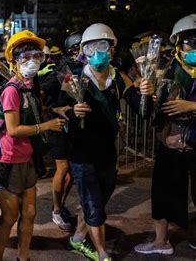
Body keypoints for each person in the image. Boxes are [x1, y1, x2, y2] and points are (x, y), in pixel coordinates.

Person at [60, 23, 154, 261]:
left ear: (112, 49)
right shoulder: (74, 78)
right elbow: (55, 109)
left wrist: (145, 94)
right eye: (91, 47)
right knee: (93, 205)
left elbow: (141, 111)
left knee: (98, 201)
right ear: (84, 51)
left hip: (108, 152)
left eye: (103, 45)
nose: (97, 52)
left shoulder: (120, 79)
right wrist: (72, 111)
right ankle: (102, 253)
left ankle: (77, 239)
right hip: (81, 153)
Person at [0, 30, 67, 261]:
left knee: (30, 213)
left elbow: (32, 112)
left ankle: (23, 258)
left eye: (36, 55)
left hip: (27, 158)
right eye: (24, 56)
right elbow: (13, 129)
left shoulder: (30, 86)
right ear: (13, 61)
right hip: (9, 160)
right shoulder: (12, 90)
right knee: (10, 216)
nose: (32, 60)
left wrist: (54, 110)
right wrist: (47, 126)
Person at [134, 14, 196, 255]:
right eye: (189, 41)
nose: (194, 47)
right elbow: (148, 113)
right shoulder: (164, 71)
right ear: (179, 45)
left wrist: (190, 106)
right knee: (162, 195)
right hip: (169, 145)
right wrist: (146, 94)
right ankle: (161, 242)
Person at [38, 44, 75, 233]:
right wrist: (54, 110)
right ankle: (56, 210)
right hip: (56, 126)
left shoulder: (76, 71)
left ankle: (60, 204)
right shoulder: (58, 72)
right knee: (63, 168)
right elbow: (39, 99)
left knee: (71, 173)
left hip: (71, 126)